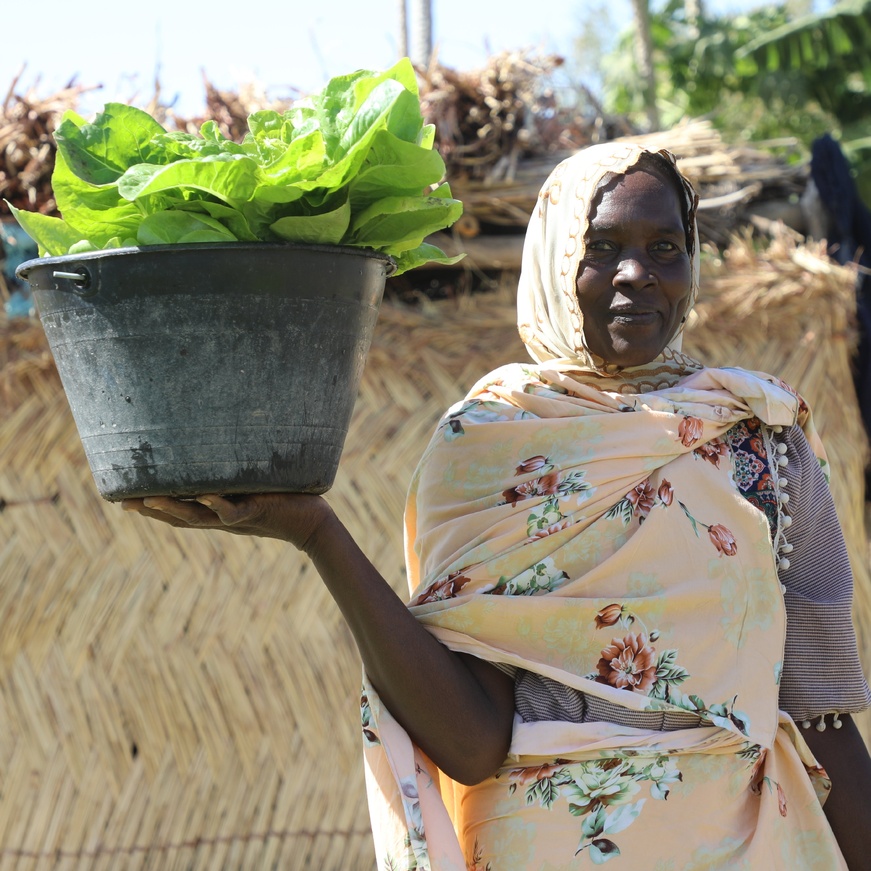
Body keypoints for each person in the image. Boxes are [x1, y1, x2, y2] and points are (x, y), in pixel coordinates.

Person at [123, 142, 871, 869]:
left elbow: (822, 718)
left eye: (665, 247)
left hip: (749, 843)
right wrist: (318, 534)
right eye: (603, 246)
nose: (636, 273)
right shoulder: (489, 446)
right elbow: (473, 742)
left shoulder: (759, 440)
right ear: (552, 261)